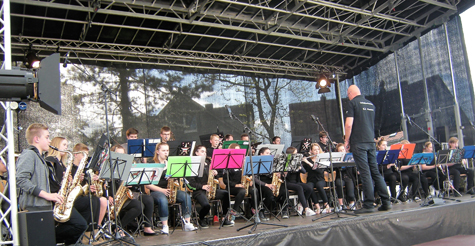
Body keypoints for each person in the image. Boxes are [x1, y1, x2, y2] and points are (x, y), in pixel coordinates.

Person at [16, 123, 87, 245]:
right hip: (34, 207)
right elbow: (21, 180)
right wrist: (47, 195)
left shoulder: (40, 158)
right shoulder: (29, 154)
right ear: (37, 139)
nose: (49, 140)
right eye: (47, 137)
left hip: (42, 206)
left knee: (76, 225)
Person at [344, 85, 391, 213]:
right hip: (370, 142)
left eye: (348, 95)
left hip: (359, 142)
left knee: (365, 173)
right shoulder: (371, 104)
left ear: (350, 93)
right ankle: (386, 202)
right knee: (375, 172)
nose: (348, 97)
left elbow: (348, 125)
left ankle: (369, 204)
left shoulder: (353, 103)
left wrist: (346, 141)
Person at [146, 143, 196, 234]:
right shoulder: (151, 164)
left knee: (186, 196)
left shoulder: (170, 164)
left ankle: (187, 222)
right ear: (157, 152)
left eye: (167, 151)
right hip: (157, 191)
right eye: (163, 151)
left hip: (170, 190)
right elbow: (147, 184)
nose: (166, 153)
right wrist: (162, 190)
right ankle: (165, 225)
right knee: (162, 199)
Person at [109, 145, 157, 236]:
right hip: (115, 197)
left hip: (128, 194)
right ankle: (118, 228)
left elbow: (137, 184)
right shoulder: (109, 168)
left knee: (148, 199)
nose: (121, 157)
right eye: (118, 154)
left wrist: (133, 180)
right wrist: (108, 196)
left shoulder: (127, 167)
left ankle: (147, 227)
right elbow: (105, 186)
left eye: (123, 154)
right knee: (139, 206)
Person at [188, 145, 233, 228]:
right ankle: (201, 218)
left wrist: (215, 174)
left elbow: (213, 178)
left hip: (210, 189)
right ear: (196, 153)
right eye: (202, 151)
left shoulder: (209, 163)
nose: (204, 154)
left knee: (226, 194)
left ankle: (224, 218)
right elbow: (190, 183)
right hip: (199, 190)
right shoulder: (192, 165)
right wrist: (202, 186)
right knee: (206, 205)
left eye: (205, 152)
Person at [253, 147, 288, 220]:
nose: (269, 155)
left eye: (270, 153)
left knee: (284, 190)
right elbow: (254, 178)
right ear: (261, 154)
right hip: (262, 183)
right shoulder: (256, 162)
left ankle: (284, 210)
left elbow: (279, 172)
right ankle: (262, 210)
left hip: (272, 181)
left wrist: (279, 174)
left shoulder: (273, 162)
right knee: (269, 194)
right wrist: (266, 184)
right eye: (267, 153)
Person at [284, 147, 316, 216]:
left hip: (296, 182)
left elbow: (304, 172)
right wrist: (286, 171)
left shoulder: (297, 162)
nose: (297, 154)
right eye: (295, 153)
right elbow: (284, 175)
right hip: (288, 183)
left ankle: (301, 204)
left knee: (309, 188)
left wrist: (300, 167)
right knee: (299, 188)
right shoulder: (286, 162)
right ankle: (306, 208)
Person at [302, 143, 330, 214]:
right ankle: (317, 206)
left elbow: (319, 171)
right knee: (309, 188)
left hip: (320, 179)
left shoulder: (321, 160)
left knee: (319, 186)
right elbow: (303, 170)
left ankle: (326, 204)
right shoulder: (308, 159)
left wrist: (308, 163)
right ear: (311, 151)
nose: (317, 151)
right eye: (315, 150)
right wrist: (303, 161)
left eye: (318, 149)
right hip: (311, 180)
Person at [334, 143, 356, 210]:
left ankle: (351, 203)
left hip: (348, 177)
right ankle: (341, 204)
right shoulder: (336, 159)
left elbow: (352, 169)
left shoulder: (349, 157)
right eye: (340, 150)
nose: (342, 151)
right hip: (340, 176)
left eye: (343, 149)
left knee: (350, 190)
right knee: (339, 184)